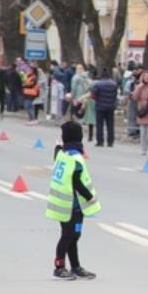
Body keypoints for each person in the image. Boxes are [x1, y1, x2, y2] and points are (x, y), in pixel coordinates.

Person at [47, 119, 100, 280]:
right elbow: (77, 182)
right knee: (68, 236)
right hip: (71, 205)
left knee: (73, 236)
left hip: (69, 205)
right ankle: (59, 267)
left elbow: (56, 154)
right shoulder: (75, 158)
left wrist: (58, 145)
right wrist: (90, 196)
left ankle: (75, 266)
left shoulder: (63, 153)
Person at [130, 69, 148, 155]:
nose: (147, 78)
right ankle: (143, 148)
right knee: (143, 132)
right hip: (142, 110)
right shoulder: (139, 86)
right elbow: (134, 97)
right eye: (145, 76)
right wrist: (139, 87)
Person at [89, 68, 121, 147]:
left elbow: (93, 95)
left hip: (100, 106)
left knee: (100, 124)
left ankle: (100, 141)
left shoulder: (98, 84)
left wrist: (97, 99)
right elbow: (115, 95)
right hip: (110, 106)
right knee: (110, 124)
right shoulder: (114, 84)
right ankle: (110, 141)